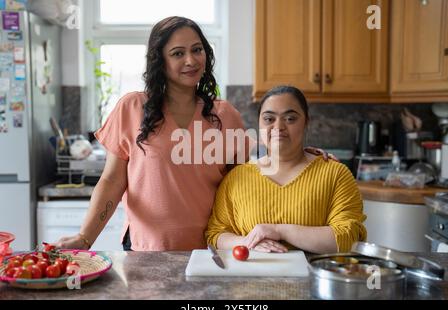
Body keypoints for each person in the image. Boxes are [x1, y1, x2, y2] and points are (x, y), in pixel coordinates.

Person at [55, 17, 332, 251]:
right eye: (177, 53)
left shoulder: (226, 115)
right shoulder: (132, 107)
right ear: (159, 61)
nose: (191, 60)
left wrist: (302, 157)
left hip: (211, 250)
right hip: (146, 249)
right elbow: (112, 180)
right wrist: (84, 238)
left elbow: (247, 181)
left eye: (197, 50)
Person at [205, 85, 367, 254]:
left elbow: (350, 238)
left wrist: (280, 231)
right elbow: (215, 234)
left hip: (315, 279)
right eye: (269, 119)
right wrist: (248, 242)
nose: (278, 126)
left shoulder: (336, 175)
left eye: (290, 119)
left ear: (306, 123)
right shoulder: (236, 178)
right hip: (251, 280)